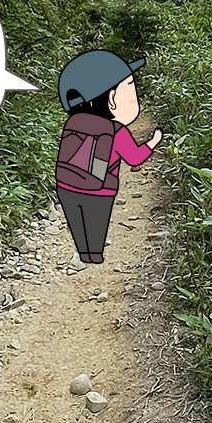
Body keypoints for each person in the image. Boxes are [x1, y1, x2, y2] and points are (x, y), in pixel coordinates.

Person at [54, 49, 162, 263]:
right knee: (96, 222)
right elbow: (134, 159)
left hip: (66, 185)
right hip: (100, 189)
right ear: (112, 99)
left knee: (77, 222)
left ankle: (83, 251)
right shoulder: (116, 130)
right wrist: (153, 141)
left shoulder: (73, 122)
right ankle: (93, 253)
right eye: (130, 89)